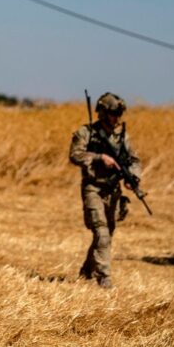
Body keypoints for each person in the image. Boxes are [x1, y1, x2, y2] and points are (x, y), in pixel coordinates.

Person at [69, 92, 142, 289]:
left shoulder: (122, 137)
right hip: (93, 188)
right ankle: (104, 279)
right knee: (101, 233)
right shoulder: (87, 133)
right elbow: (75, 155)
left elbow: (134, 160)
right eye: (113, 113)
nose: (117, 117)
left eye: (119, 113)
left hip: (113, 190)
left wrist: (133, 178)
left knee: (107, 233)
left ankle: (87, 271)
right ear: (102, 112)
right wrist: (99, 157)